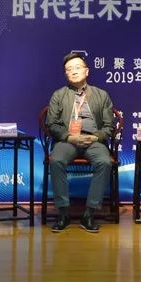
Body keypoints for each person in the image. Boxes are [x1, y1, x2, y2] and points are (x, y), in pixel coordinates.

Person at [46, 52, 116, 233]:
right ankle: (63, 213)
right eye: (69, 69)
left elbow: (109, 126)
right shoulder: (58, 95)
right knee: (56, 160)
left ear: (87, 71)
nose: (74, 71)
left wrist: (96, 137)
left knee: (104, 162)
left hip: (94, 140)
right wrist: (69, 137)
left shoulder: (102, 95)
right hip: (68, 140)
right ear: (66, 74)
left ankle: (89, 214)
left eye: (78, 67)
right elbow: (51, 124)